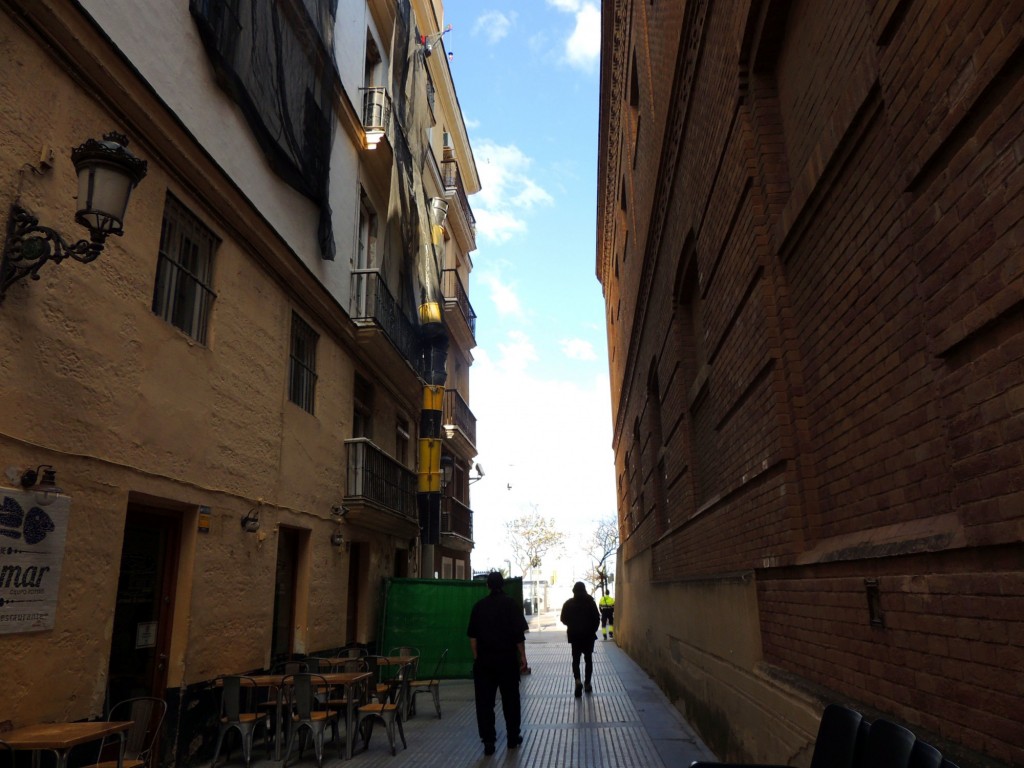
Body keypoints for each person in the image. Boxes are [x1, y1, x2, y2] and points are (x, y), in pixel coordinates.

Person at [467, 571, 529, 755]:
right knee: (511, 700)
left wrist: (477, 656)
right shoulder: (511, 605)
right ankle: (512, 738)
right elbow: (519, 636)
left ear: (487, 585)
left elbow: (473, 637)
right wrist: (523, 657)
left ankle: (488, 742)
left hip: (485, 662)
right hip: (507, 661)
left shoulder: (479, 607)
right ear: (503, 585)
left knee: (485, 703)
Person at [559, 581, 601, 698]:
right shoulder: (590, 603)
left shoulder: (568, 604)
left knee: (576, 660)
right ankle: (587, 684)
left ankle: (577, 680)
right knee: (588, 659)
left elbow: (563, 619)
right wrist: (592, 629)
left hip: (574, 636)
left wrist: (572, 625)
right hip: (588, 636)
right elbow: (597, 619)